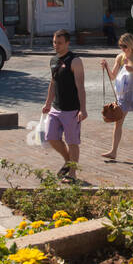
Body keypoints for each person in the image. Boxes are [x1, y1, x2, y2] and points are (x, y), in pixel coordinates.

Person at [42, 29, 87, 179]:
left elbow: (80, 86)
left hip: (71, 109)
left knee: (72, 142)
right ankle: (68, 161)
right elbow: (53, 82)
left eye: (60, 43)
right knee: (51, 137)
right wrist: (48, 103)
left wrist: (83, 109)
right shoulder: (53, 60)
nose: (56, 45)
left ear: (67, 43)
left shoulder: (75, 61)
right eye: (54, 42)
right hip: (56, 107)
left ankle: (72, 175)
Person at [101, 32, 133, 161]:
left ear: (131, 45)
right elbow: (113, 76)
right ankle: (113, 152)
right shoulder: (120, 58)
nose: (122, 49)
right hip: (123, 95)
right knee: (118, 122)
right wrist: (106, 67)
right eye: (120, 46)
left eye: (124, 46)